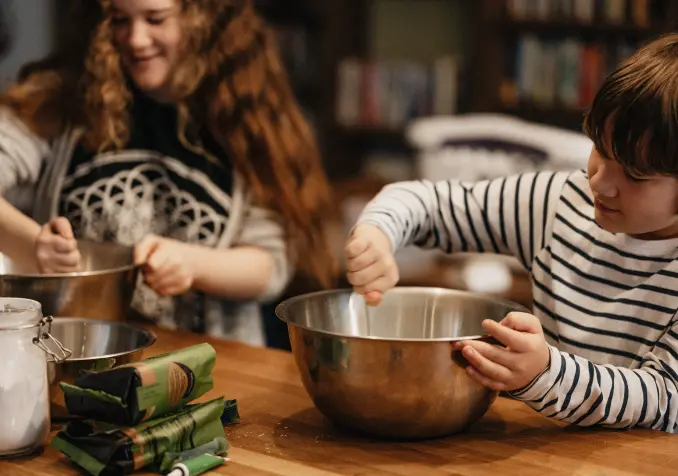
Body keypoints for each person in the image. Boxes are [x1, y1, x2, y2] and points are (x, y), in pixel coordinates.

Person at [345, 34, 678, 432]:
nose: (600, 183)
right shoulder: (559, 203)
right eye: (600, 151)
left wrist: (547, 373)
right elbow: (425, 202)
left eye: (636, 175)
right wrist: (377, 233)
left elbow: (665, 399)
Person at [0, 0, 336, 345]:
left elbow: (270, 267)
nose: (135, 39)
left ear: (202, 19)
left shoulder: (244, 116)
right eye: (119, 20)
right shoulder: (62, 101)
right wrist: (31, 244)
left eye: (155, 19)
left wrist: (193, 264)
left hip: (209, 365)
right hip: (68, 353)